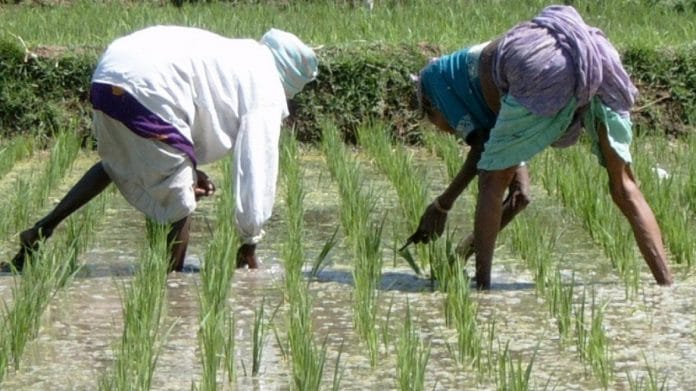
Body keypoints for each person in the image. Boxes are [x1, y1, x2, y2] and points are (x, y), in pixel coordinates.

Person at [3, 26, 318, 273]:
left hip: (109, 75)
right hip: (149, 87)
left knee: (116, 163)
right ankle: (170, 286)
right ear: (289, 82)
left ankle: (41, 231)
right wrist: (249, 240)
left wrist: (189, 168)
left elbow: (193, 102)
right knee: (181, 203)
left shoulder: (239, 57)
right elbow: (256, 167)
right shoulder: (265, 85)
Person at [406, 5, 673, 289]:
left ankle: (481, 290)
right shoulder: (488, 98)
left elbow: (482, 149)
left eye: (435, 124)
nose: (446, 132)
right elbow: (519, 192)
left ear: (430, 108)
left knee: (491, 181)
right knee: (624, 186)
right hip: (597, 58)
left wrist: (442, 205)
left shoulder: (434, 79)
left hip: (541, 64)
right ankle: (666, 285)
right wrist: (457, 257)